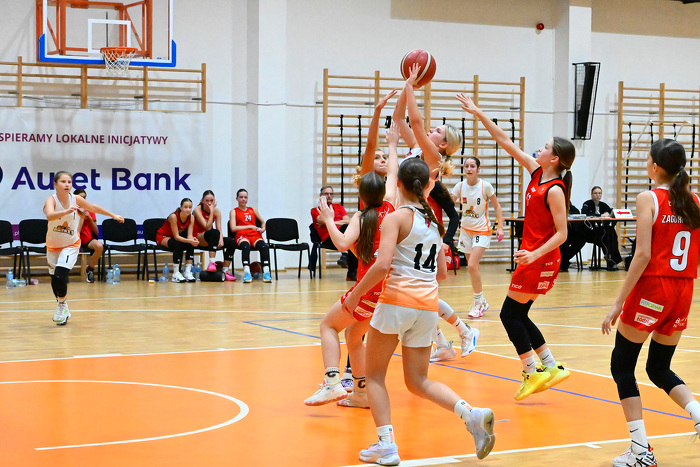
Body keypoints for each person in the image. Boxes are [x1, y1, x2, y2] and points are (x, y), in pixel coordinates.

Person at [343, 157, 495, 465]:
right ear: (426, 185)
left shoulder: (396, 218)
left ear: (398, 183)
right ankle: (471, 414)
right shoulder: (434, 223)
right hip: (426, 307)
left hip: (396, 302)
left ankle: (386, 445)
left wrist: (356, 295)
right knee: (418, 381)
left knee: (374, 376)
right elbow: (442, 273)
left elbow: (382, 266)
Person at [458, 93, 574, 401]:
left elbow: (563, 233)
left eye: (546, 147)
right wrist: (478, 112)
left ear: (555, 159)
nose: (540, 148)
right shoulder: (537, 172)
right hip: (535, 256)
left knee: (509, 315)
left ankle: (531, 371)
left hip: (539, 257)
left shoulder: (555, 189)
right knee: (519, 314)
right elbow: (505, 141)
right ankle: (550, 365)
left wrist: (534, 254)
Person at [602, 139, 700, 467]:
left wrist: (618, 302)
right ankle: (698, 414)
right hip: (683, 289)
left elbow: (642, 254)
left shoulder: (649, 198)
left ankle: (641, 451)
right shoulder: (695, 200)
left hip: (654, 288)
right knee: (658, 367)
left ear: (655, 166)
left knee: (621, 365)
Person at [304, 122, 399, 410]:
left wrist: (329, 220)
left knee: (328, 325)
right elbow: (394, 172)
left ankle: (332, 381)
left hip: (367, 288)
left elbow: (343, 244)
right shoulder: (392, 207)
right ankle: (361, 393)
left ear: (361, 192)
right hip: (388, 291)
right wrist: (392, 144)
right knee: (353, 335)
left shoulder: (361, 216)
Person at [394, 64, 481, 362]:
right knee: (415, 291)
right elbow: (400, 119)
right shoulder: (417, 149)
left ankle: (463, 330)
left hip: (417, 223)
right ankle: (446, 342)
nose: (431, 129)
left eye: (437, 131)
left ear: (443, 144)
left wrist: (411, 85)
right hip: (405, 218)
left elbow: (416, 122)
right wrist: (406, 88)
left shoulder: (432, 156)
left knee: (418, 288)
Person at [44, 171, 123, 325]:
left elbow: (93, 207)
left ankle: (61, 306)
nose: (67, 184)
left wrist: (113, 215)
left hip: (70, 244)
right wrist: (65, 211)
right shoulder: (51, 200)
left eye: (69, 182)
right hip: (53, 246)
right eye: (63, 182)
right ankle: (63, 305)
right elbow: (50, 215)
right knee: (55, 280)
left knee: (60, 275)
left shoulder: (76, 199)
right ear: (55, 184)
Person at [450, 156, 505, 317]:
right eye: (466, 166)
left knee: (472, 265)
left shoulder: (485, 186)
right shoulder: (460, 186)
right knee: (473, 267)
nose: (469, 169)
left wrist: (500, 227)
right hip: (465, 230)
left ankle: (478, 302)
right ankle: (482, 301)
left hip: (482, 230)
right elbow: (448, 203)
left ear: (478, 169)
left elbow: (497, 206)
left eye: (472, 166)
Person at [309, 186, 358, 281]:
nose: (329, 196)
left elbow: (348, 221)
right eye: (326, 194)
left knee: (351, 233)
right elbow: (322, 220)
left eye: (331, 194)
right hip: (328, 239)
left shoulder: (339, 207)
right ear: (321, 196)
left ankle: (351, 270)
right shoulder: (315, 210)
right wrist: (324, 209)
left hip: (344, 236)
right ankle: (346, 257)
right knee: (348, 232)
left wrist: (331, 222)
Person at [229, 188, 271, 283]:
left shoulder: (253, 210)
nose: (243, 199)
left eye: (245, 197)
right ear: (237, 198)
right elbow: (233, 228)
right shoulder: (234, 211)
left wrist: (262, 229)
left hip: (254, 235)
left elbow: (263, 222)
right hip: (242, 235)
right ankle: (247, 272)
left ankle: (266, 272)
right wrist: (250, 226)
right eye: (241, 197)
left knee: (264, 247)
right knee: (245, 246)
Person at [193, 190, 237, 281]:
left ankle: (225, 270)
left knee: (231, 241)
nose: (209, 203)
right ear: (202, 200)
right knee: (214, 232)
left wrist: (221, 239)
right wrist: (211, 211)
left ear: (214, 200)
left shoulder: (217, 211)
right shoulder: (197, 210)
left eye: (211, 201)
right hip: (198, 237)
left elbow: (219, 228)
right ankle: (212, 263)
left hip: (211, 237)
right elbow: (207, 227)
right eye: (207, 201)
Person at [156, 198, 199, 282]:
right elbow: (176, 237)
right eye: (185, 207)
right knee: (177, 243)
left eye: (190, 207)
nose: (188, 209)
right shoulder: (174, 216)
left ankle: (187, 272)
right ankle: (175, 273)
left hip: (174, 238)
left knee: (190, 244)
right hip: (162, 236)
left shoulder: (191, 217)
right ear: (181, 208)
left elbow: (189, 236)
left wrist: (193, 240)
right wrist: (189, 240)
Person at [581, 186, 624, 270]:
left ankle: (613, 259)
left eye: (599, 193)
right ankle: (611, 260)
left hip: (601, 231)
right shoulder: (587, 204)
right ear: (591, 194)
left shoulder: (603, 205)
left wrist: (609, 214)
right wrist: (600, 215)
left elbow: (611, 212)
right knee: (605, 237)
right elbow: (585, 214)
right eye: (595, 193)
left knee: (612, 234)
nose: (598, 195)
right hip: (590, 232)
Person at [73, 188, 103, 283]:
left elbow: (96, 231)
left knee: (99, 246)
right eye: (80, 197)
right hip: (73, 238)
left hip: (86, 238)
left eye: (84, 198)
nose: (83, 200)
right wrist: (82, 217)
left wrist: (89, 217)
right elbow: (77, 232)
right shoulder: (71, 211)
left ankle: (90, 269)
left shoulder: (90, 210)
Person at [559, 202, 587, 272]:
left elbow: (578, 216)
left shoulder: (573, 209)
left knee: (581, 240)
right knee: (564, 243)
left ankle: (565, 259)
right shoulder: (557, 208)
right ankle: (563, 263)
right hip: (560, 234)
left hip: (572, 233)